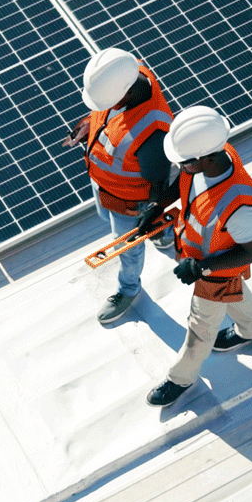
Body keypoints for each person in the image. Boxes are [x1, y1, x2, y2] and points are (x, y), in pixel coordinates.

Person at [143, 105, 252, 408]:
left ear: (206, 158)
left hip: (214, 270)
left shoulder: (239, 204)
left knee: (200, 328)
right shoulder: (209, 155)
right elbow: (185, 183)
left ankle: (180, 378)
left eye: (185, 163)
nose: (181, 167)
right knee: (236, 294)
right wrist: (157, 206)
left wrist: (202, 267)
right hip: (202, 257)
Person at [63, 48, 174, 324]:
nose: (103, 106)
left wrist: (151, 212)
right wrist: (89, 125)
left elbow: (159, 184)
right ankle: (164, 232)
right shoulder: (122, 71)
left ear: (125, 93)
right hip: (104, 186)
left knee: (126, 247)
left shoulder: (152, 134)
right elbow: (108, 117)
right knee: (105, 216)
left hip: (129, 203)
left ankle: (129, 289)